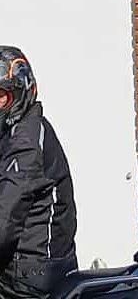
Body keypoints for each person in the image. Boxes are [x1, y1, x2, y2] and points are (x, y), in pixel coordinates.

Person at [0, 49, 77, 299]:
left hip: (30, 277)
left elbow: (5, 219)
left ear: (21, 91)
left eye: (1, 96)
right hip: (34, 267)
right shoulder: (19, 131)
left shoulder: (26, 142)